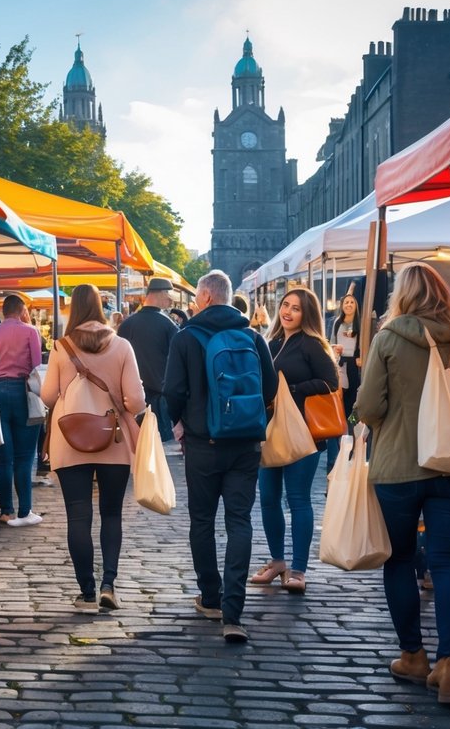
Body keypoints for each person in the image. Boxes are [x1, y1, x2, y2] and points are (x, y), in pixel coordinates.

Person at [355, 264, 450, 707]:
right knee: (447, 563)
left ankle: (413, 656)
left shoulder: (388, 338)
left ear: (402, 296)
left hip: (399, 468)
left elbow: (367, 407)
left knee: (400, 559)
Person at [163, 270, 275, 643]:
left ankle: (210, 598)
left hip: (202, 443)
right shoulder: (253, 337)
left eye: (196, 297)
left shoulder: (186, 338)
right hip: (245, 445)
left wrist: (179, 424)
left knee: (202, 521)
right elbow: (270, 388)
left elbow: (173, 391)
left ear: (207, 298)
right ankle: (234, 610)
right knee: (240, 522)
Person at [41, 284, 146, 612]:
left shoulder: (61, 347)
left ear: (73, 309)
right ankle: (108, 584)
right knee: (112, 514)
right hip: (114, 440)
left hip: (70, 439)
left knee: (78, 515)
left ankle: (86, 591)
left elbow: (46, 397)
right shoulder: (122, 345)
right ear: (101, 307)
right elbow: (137, 402)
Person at [253, 286, 338, 595]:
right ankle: (277, 562)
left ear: (307, 314)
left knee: (298, 499)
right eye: (285, 305)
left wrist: (294, 389)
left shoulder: (312, 344)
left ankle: (298, 569)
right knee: (267, 498)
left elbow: (331, 382)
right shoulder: (271, 341)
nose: (287, 311)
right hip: (271, 431)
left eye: (296, 308)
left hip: (304, 433)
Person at [0, 294, 45, 526]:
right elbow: (35, 364)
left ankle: (6, 511)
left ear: (3, 311)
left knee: (3, 459)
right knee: (24, 457)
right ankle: (25, 510)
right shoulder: (30, 331)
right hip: (23, 391)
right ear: (22, 310)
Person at [117, 277, 179, 445]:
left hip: (129, 400)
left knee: (134, 450)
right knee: (158, 453)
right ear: (161, 293)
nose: (169, 299)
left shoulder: (126, 324)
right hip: (159, 400)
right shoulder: (169, 325)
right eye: (168, 294)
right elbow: (178, 364)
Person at [326, 294, 364, 471]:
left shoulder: (360, 324)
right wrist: (335, 351)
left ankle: (353, 426)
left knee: (353, 404)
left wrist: (361, 357)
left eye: (351, 302)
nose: (349, 305)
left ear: (356, 306)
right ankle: (342, 434)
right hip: (340, 365)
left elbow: (364, 344)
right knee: (340, 403)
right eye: (346, 302)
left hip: (354, 366)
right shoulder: (336, 323)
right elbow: (331, 343)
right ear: (342, 306)